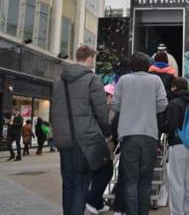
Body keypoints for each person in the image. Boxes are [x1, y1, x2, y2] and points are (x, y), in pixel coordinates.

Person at [51, 45, 112, 215]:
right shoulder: (93, 80)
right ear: (90, 58)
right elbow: (101, 112)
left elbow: (54, 111)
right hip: (85, 140)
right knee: (81, 183)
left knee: (68, 183)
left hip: (64, 141)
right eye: (94, 58)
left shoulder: (58, 82)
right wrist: (107, 132)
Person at [112, 52, 168, 215]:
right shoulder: (155, 80)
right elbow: (163, 104)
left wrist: (129, 108)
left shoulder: (123, 81)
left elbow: (115, 106)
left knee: (130, 181)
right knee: (145, 180)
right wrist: (149, 110)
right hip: (149, 135)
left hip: (129, 136)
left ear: (131, 66)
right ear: (148, 66)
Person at [165, 77, 189, 215]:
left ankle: (177, 213)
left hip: (178, 146)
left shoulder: (174, 103)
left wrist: (164, 127)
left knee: (176, 183)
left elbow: (170, 126)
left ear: (175, 87)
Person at [86, 84, 116, 215]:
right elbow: (110, 125)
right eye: (113, 96)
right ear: (109, 96)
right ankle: (92, 201)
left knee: (102, 172)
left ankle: (98, 203)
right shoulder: (108, 108)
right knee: (105, 172)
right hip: (103, 144)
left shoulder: (94, 105)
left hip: (94, 143)